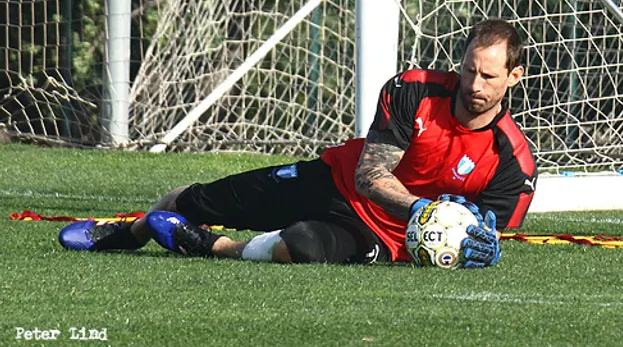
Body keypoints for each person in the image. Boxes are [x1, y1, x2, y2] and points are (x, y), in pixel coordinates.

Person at [59, 18, 537, 268]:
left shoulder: (513, 161)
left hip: (385, 241)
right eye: (469, 70)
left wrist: (480, 247)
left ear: (514, 77)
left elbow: (491, 233)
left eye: (488, 76)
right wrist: (420, 208)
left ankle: (211, 247)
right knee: (199, 198)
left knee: (302, 247)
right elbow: (371, 177)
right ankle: (128, 233)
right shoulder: (412, 89)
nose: (474, 84)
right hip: (333, 183)